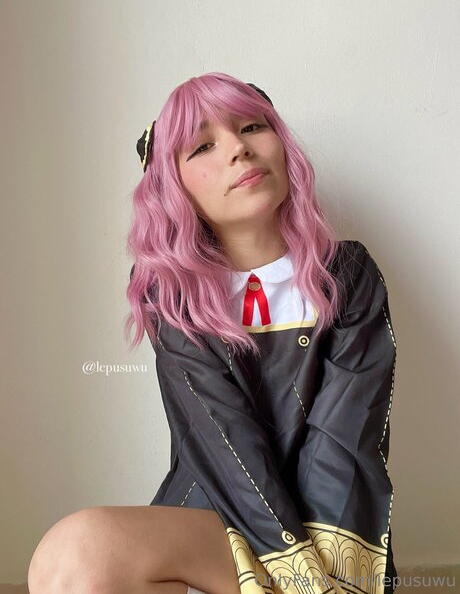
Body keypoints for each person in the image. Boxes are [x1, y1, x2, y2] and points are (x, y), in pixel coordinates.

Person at [28, 72, 398, 594]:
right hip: (217, 526)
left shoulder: (347, 274)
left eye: (252, 127)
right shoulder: (167, 292)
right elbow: (225, 437)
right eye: (202, 146)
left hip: (332, 538)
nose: (238, 149)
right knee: (75, 554)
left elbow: (342, 442)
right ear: (173, 186)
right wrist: (291, 567)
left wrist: (313, 579)